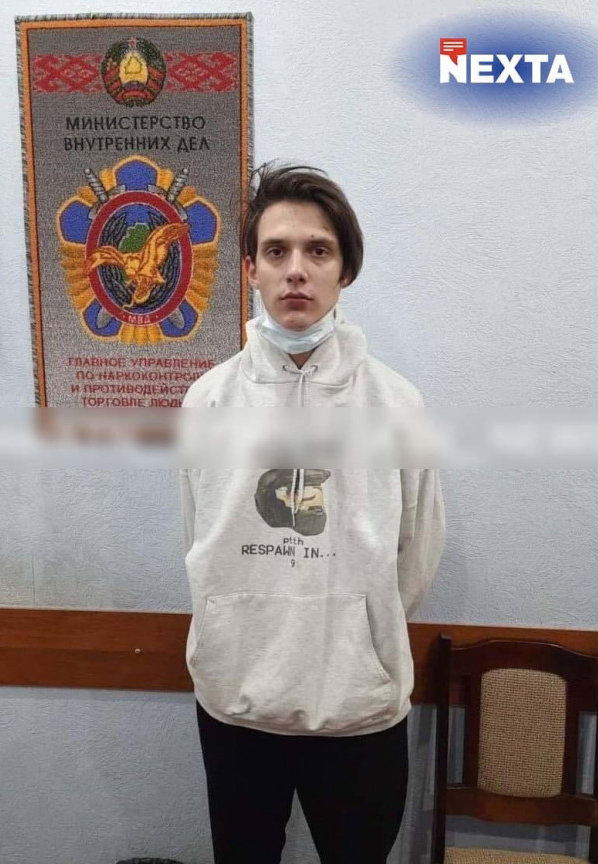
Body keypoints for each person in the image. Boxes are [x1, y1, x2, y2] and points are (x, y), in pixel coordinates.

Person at [179, 163, 445, 864]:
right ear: (251, 269)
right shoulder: (207, 402)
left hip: (359, 709)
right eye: (277, 251)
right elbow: (200, 538)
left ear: (344, 270)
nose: (296, 270)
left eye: (317, 250)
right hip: (237, 705)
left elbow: (416, 554)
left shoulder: (398, 407)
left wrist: (361, 631)